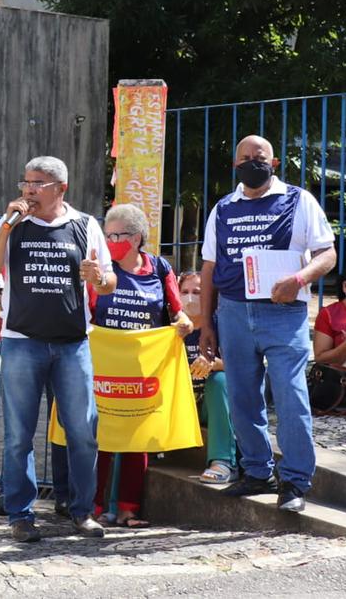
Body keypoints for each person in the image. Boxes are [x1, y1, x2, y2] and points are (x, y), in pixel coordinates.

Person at [0, 155, 115, 542]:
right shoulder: (12, 227)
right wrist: (5, 224)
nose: (29, 190)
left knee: (83, 432)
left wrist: (99, 278)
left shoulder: (85, 225)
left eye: (38, 183)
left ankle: (82, 511)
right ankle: (20, 514)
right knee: (19, 434)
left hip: (73, 346)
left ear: (61, 189)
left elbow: (109, 282)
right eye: (26, 182)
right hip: (22, 343)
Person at [197, 135, 336, 513]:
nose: (251, 163)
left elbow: (328, 253)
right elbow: (209, 266)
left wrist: (301, 279)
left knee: (291, 394)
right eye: (244, 158)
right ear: (234, 165)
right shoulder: (223, 208)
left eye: (259, 157)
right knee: (242, 396)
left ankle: (294, 481)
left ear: (273, 164)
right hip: (233, 313)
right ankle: (257, 471)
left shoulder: (298, 200)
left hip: (283, 315)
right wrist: (207, 322)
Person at [87, 204, 192, 528]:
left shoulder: (159, 268)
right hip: (105, 363)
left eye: (115, 235)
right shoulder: (102, 271)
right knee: (101, 438)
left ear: (135, 238)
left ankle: (129, 508)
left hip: (144, 365)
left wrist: (184, 323)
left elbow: (177, 312)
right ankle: (95, 507)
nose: (110, 240)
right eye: (107, 235)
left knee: (137, 437)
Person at [179, 271, 238, 485]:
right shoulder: (167, 326)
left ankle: (222, 461)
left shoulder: (222, 324)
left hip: (209, 405)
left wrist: (214, 364)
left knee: (219, 381)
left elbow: (243, 366)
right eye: (184, 292)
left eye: (197, 292)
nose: (190, 298)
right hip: (178, 406)